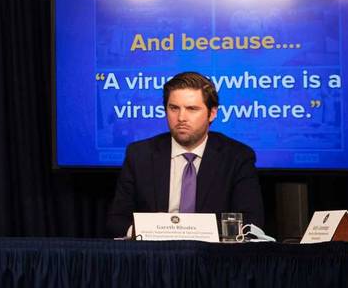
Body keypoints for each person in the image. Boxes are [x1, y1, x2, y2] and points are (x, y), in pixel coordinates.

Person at [106, 71, 264, 237]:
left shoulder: (237, 157)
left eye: (192, 109)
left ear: (212, 113)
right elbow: (116, 220)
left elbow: (251, 222)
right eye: (174, 108)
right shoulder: (139, 155)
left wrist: (197, 232)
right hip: (155, 256)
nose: (181, 117)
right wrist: (144, 231)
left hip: (213, 258)